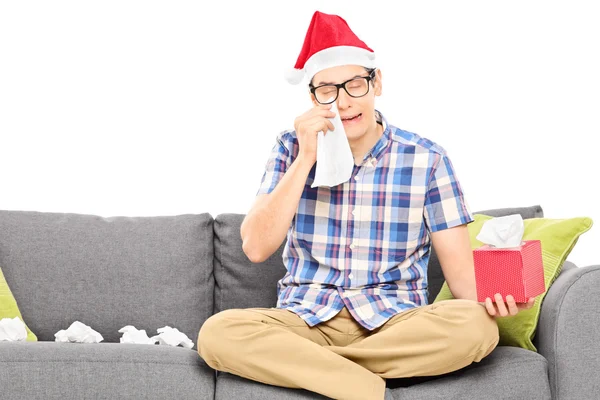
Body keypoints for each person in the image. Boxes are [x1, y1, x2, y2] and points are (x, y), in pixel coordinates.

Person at [197, 11, 535, 400]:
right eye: (327, 89)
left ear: (377, 84)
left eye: (355, 84)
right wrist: (307, 157)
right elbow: (255, 247)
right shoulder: (290, 148)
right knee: (218, 333)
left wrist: (497, 296)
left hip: (395, 323)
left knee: (475, 328)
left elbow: (461, 279)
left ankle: (322, 369)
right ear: (313, 98)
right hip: (305, 320)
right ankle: (364, 384)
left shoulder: (427, 159)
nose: (343, 101)